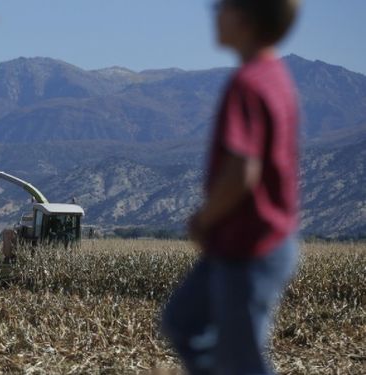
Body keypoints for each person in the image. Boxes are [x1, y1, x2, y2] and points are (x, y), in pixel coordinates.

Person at [158, 1, 301, 374]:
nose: (214, 14)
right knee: (183, 320)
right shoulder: (276, 76)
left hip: (250, 246)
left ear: (244, 17)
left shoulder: (248, 83)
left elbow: (242, 171)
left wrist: (204, 219)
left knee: (243, 361)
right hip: (243, 244)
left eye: (220, 6)